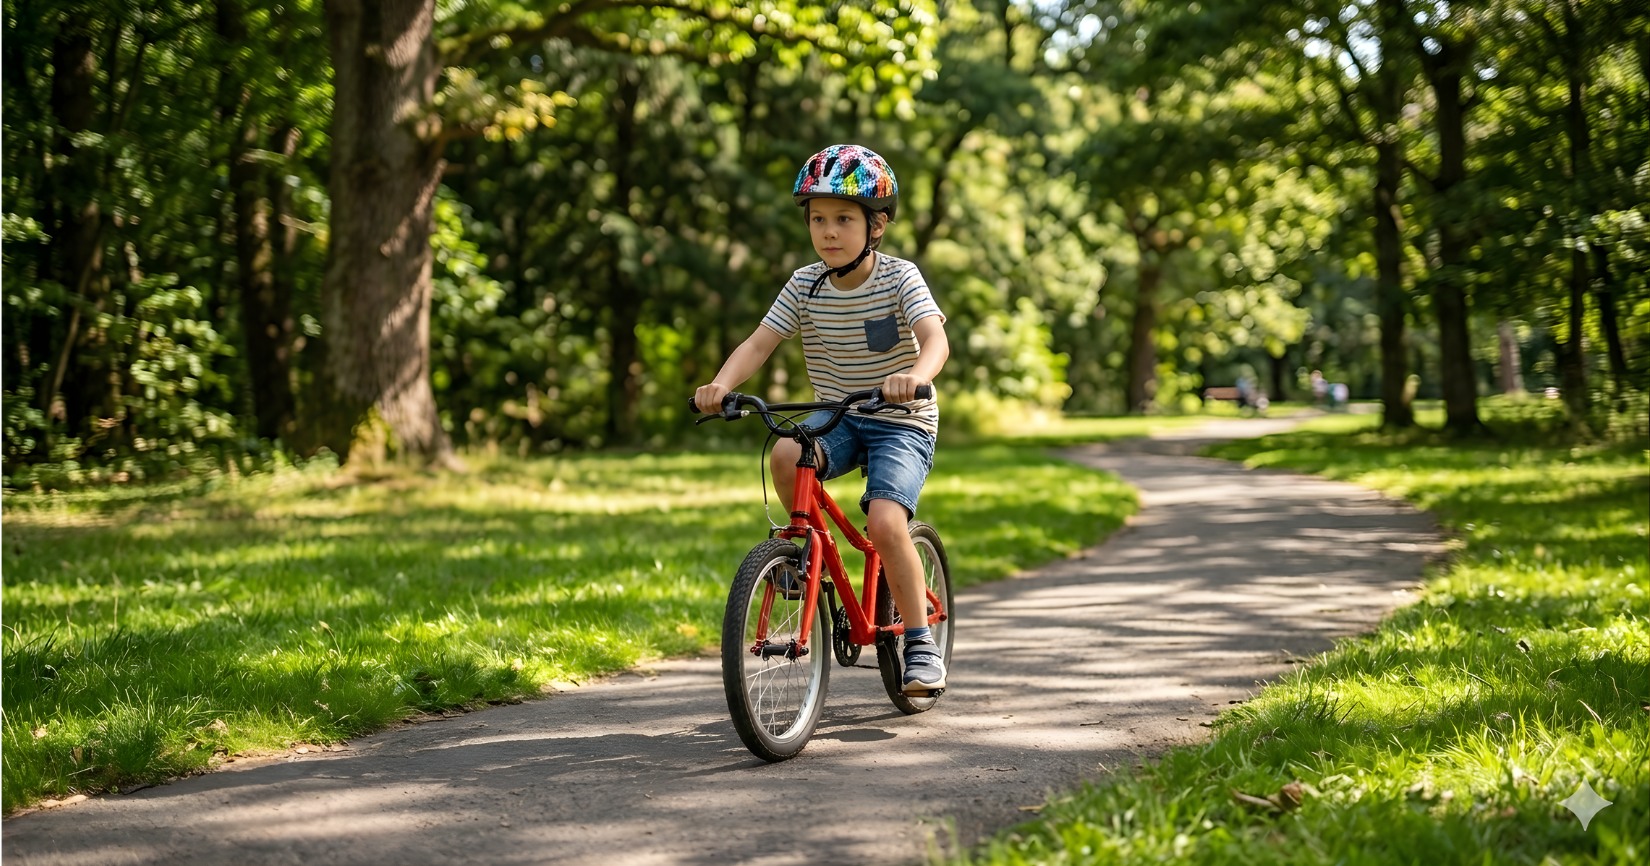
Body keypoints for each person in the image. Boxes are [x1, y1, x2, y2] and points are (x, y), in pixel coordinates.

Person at [693, 145, 952, 694]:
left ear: (876, 224)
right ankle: (803, 553)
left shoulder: (900, 277)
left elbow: (935, 338)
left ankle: (920, 642)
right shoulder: (806, 283)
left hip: (901, 419)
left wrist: (915, 375)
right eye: (817, 219)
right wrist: (721, 386)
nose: (828, 232)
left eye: (843, 219)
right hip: (839, 415)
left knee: (884, 524)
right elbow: (761, 342)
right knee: (786, 452)